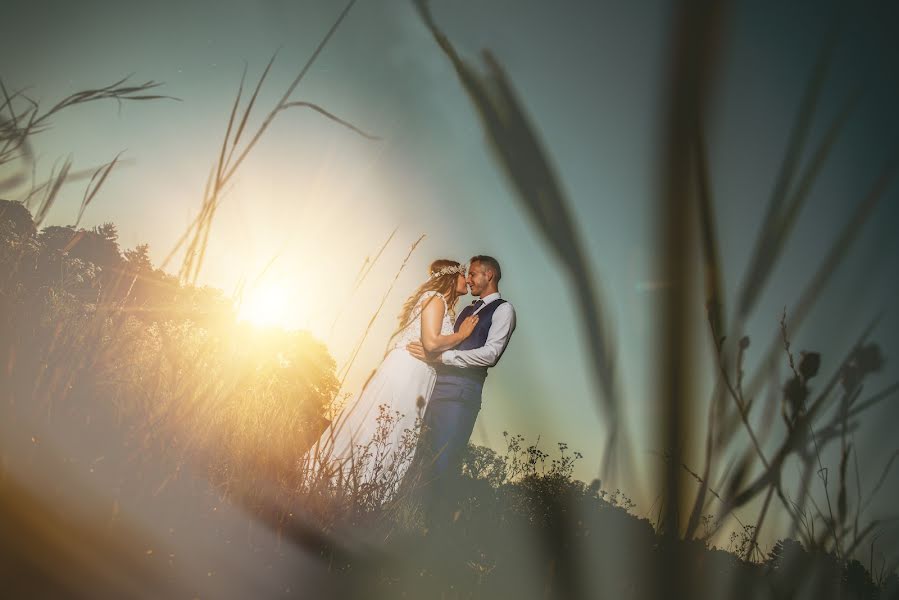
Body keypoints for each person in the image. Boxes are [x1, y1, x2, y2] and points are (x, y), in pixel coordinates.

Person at [302, 259, 479, 491]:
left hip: (418, 372)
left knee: (393, 430)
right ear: (450, 276)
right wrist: (462, 335)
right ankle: (341, 484)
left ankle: (360, 488)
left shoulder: (440, 302)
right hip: (407, 372)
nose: (466, 279)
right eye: (463, 274)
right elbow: (432, 342)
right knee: (384, 426)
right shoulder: (435, 299)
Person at [406, 255, 516, 526]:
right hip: (436, 387)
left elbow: (490, 354)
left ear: (489, 275)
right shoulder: (466, 311)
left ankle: (433, 532)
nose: (468, 279)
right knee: (418, 456)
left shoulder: (504, 310)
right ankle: (406, 519)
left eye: (474, 274)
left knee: (443, 462)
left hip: (461, 395)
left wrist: (442, 359)